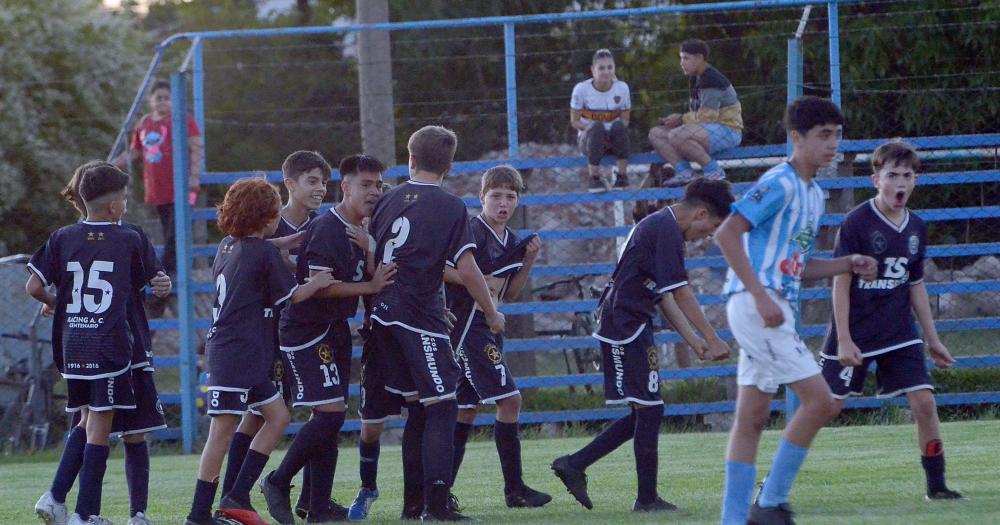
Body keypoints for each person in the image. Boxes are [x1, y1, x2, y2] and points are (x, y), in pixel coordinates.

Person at [713, 96, 878, 524]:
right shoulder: (780, 182)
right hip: (757, 306)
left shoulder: (815, 194)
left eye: (837, 135)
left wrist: (847, 263)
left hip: (769, 304)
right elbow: (727, 234)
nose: (832, 144)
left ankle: (734, 521)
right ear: (795, 138)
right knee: (823, 402)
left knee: (751, 419)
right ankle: (769, 505)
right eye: (823, 136)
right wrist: (761, 295)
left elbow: (796, 266)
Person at [551, 178, 735, 513]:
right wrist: (711, 336)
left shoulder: (665, 227)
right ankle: (644, 498)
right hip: (623, 325)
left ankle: (576, 464)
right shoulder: (664, 228)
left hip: (635, 323)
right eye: (712, 227)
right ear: (701, 213)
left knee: (648, 410)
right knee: (649, 410)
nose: (709, 235)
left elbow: (664, 295)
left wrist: (694, 341)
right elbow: (681, 293)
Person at [368, 125, 504, 521]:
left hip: (383, 315)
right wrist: (492, 313)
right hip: (417, 317)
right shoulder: (450, 206)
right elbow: (467, 266)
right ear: (449, 165)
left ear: (410, 159)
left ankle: (414, 506)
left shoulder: (388, 200)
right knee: (444, 405)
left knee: (419, 408)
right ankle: (438, 506)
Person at [184, 178, 336, 525]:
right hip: (236, 353)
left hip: (244, 353)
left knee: (278, 416)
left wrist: (282, 241)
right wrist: (316, 283)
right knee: (220, 433)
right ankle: (197, 515)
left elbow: (252, 253)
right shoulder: (265, 254)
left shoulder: (226, 245)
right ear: (267, 217)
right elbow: (292, 297)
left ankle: (237, 496)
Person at [819, 141, 964, 501]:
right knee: (825, 408)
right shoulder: (857, 222)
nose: (900, 182)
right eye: (892, 175)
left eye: (907, 175)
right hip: (856, 331)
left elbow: (915, 285)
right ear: (875, 180)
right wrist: (844, 339)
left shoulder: (917, 227)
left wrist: (932, 339)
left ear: (915, 181)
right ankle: (775, 483)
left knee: (924, 404)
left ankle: (937, 485)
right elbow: (841, 283)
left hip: (899, 332)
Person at [259, 155, 396, 525]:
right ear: (346, 187)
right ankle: (277, 480)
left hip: (335, 328)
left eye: (379, 185)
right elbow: (322, 287)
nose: (374, 192)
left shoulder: (360, 229)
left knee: (330, 419)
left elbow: (372, 273)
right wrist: (370, 285)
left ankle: (317, 507)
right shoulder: (328, 228)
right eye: (366, 185)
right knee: (330, 415)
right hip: (307, 330)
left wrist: (370, 247)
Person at [33, 162, 172, 525]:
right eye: (124, 196)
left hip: (73, 343)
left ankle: (67, 502)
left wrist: (57, 304)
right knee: (100, 426)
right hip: (113, 346)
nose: (126, 202)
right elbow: (152, 282)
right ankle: (80, 511)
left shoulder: (63, 237)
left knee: (87, 421)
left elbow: (34, 286)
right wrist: (162, 285)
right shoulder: (129, 237)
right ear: (114, 205)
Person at [218, 151, 332, 517]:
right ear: (290, 185)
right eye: (312, 181)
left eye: (324, 182)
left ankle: (301, 498)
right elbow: (261, 257)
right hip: (272, 336)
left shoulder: (316, 225)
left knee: (270, 414)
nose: (320, 189)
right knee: (263, 416)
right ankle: (238, 493)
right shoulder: (266, 222)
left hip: (275, 336)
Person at [443, 166, 551, 510]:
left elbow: (511, 292)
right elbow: (441, 268)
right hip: (468, 327)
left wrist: (528, 261)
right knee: (511, 400)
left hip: (490, 326)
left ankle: (440, 491)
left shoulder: (514, 241)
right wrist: (473, 281)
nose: (503, 203)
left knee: (466, 411)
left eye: (510, 196)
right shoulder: (471, 230)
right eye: (496, 196)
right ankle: (514, 489)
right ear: (482, 198)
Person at [114, 79, 203, 281]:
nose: (162, 102)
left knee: (176, 233)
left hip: (183, 188)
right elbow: (135, 153)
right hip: (158, 189)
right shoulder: (144, 124)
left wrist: (194, 176)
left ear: (173, 101)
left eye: (166, 98)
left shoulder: (183, 120)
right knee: (167, 230)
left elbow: (196, 148)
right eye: (158, 98)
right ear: (151, 100)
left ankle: (164, 274)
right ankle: (171, 275)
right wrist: (112, 165)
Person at [648, 39, 743, 187]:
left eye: (686, 58)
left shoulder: (711, 79)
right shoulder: (694, 77)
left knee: (675, 135)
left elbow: (707, 117)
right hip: (707, 130)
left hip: (728, 131)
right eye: (681, 58)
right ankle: (685, 172)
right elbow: (697, 115)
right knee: (655, 133)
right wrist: (677, 121)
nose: (682, 63)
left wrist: (680, 120)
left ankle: (714, 171)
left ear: (699, 58)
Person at [570, 48, 631, 192]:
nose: (606, 72)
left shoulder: (622, 88)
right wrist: (595, 130)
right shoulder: (581, 89)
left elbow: (625, 120)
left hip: (613, 139)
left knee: (619, 127)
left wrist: (609, 134)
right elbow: (575, 121)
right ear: (593, 70)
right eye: (601, 68)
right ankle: (595, 179)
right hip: (590, 139)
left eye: (610, 67)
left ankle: (622, 176)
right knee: (597, 127)